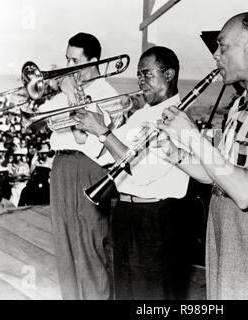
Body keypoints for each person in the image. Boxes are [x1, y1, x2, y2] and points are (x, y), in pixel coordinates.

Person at [155, 12, 248, 300]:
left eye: (223, 46)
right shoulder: (241, 104)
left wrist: (191, 136)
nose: (215, 55)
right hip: (224, 222)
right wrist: (175, 153)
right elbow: (218, 174)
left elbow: (246, 192)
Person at [73, 46, 192, 300]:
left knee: (153, 296)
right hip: (126, 214)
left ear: (169, 74)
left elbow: (141, 171)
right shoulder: (141, 115)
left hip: (155, 219)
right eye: (138, 75)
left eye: (147, 74)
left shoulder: (178, 117)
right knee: (126, 291)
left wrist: (105, 133)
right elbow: (106, 156)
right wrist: (95, 127)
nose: (140, 82)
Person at [39, 32, 120, 300]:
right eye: (66, 59)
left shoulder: (106, 93)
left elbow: (82, 136)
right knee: (65, 249)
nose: (67, 66)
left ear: (93, 61)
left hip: (87, 169)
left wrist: (71, 94)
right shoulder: (69, 89)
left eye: (74, 60)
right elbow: (38, 120)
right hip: (61, 165)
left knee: (88, 250)